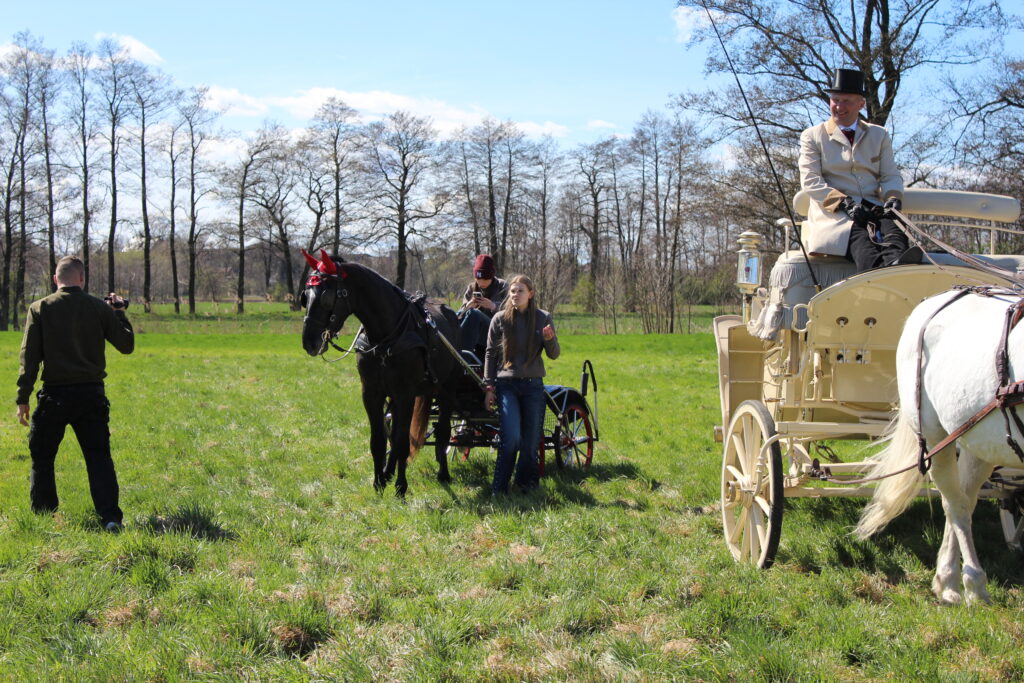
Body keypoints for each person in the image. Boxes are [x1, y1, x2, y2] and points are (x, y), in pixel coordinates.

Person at [16, 256, 134, 533]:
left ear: (56, 279)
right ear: (82, 278)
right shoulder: (98, 308)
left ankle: (45, 516)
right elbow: (126, 345)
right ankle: (110, 518)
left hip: (54, 395)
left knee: (42, 456)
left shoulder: (40, 308)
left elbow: (29, 358)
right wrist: (118, 312)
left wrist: (23, 397)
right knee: (98, 458)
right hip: (91, 395)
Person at [798, 68, 920, 272]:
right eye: (835, 100)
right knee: (861, 238)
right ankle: (879, 276)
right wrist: (845, 203)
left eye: (847, 101)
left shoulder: (879, 135)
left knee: (896, 230)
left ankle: (899, 268)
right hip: (837, 215)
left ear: (861, 103)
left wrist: (892, 197)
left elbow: (890, 175)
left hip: (874, 208)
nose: (839, 106)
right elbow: (811, 182)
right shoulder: (812, 136)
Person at [483, 274, 559, 495]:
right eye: (513, 291)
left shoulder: (543, 318)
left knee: (530, 442)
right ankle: (500, 489)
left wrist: (550, 339)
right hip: (507, 386)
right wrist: (489, 387)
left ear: (531, 294)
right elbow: (489, 354)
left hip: (533, 387)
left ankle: (527, 486)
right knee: (512, 438)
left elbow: (554, 355)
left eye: (520, 291)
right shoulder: (499, 319)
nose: (515, 295)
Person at [458, 254, 508, 355]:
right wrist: (468, 306)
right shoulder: (472, 288)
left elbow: (510, 313)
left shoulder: (502, 286)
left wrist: (493, 306)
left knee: (475, 313)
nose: (481, 282)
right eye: (478, 279)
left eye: (485, 279)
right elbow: (460, 315)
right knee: (455, 315)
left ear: (492, 276)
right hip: (474, 330)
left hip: (496, 330)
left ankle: (462, 358)